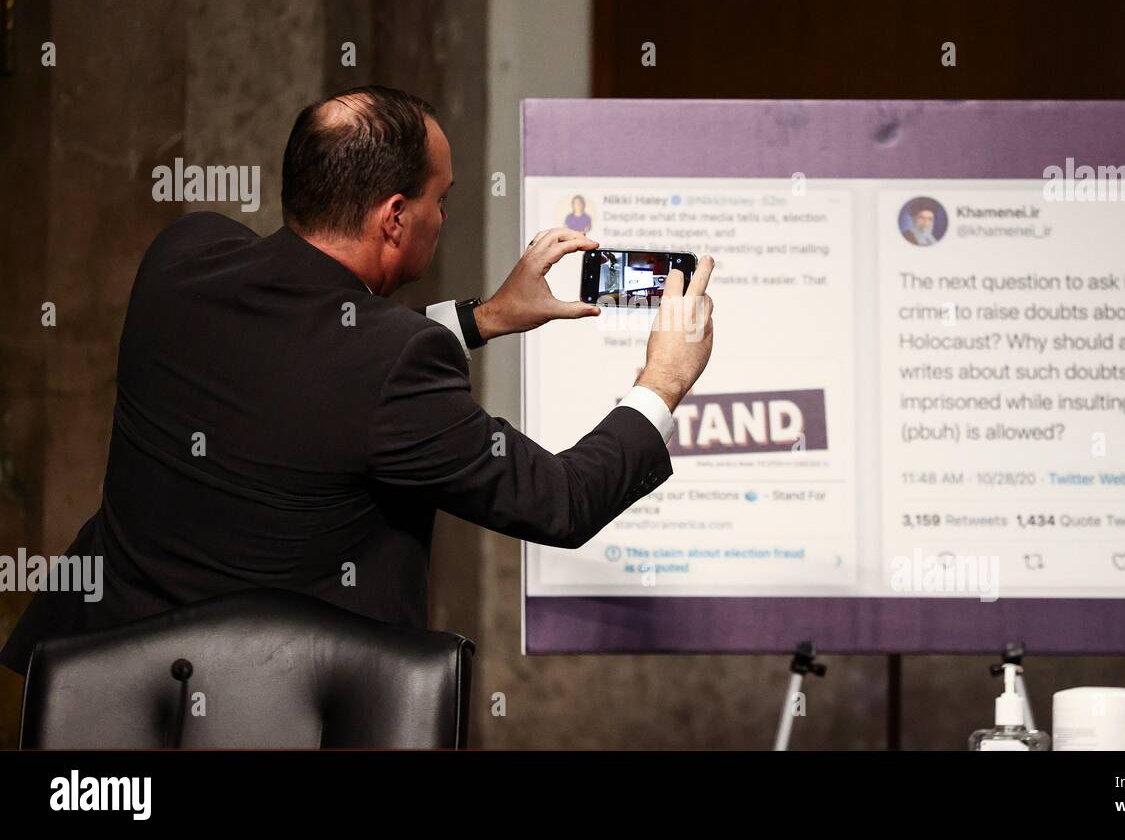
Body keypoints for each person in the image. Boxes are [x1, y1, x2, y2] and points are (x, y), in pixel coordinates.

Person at [0, 85, 715, 675]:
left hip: (96, 686)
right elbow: (559, 503)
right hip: (276, 710)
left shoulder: (183, 259)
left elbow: (309, 363)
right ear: (394, 217)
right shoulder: (395, 365)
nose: (443, 216)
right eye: (443, 199)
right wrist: (662, 380)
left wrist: (485, 318)